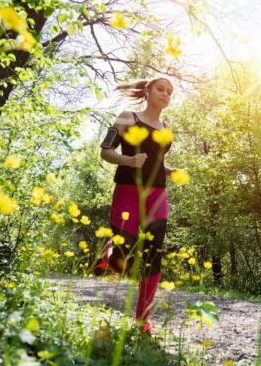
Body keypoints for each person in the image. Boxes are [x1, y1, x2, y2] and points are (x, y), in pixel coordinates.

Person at [95, 76, 177, 334]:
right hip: (128, 190)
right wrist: (129, 161)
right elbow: (105, 152)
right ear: (147, 91)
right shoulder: (127, 117)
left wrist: (168, 169)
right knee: (124, 261)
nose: (165, 94)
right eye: (160, 89)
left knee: (154, 255)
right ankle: (110, 251)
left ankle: (143, 319)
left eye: (169, 91)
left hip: (157, 194)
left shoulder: (166, 128)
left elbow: (153, 161)